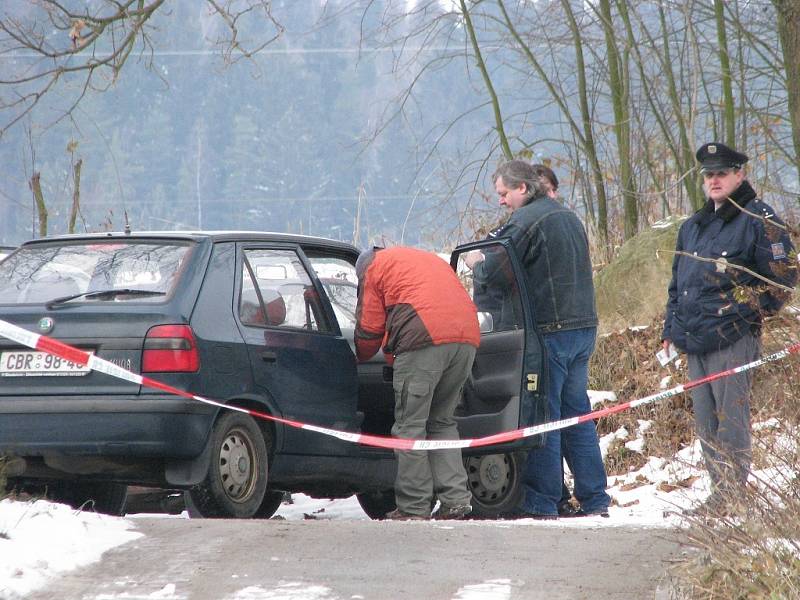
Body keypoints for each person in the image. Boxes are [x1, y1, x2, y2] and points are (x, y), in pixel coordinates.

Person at [465, 159, 611, 519]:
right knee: (576, 414)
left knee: (542, 415)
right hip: (583, 327)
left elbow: (495, 273)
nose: (500, 201)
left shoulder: (524, 223)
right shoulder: (567, 216)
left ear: (522, 189)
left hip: (550, 330)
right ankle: (595, 499)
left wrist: (474, 262)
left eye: (503, 194)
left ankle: (543, 502)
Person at [663, 142, 796, 516]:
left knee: (731, 422)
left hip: (732, 339)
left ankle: (732, 499)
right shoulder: (694, 225)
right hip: (694, 339)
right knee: (706, 424)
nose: (714, 180)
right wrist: (670, 329)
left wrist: (745, 312)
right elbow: (678, 284)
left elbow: (783, 279)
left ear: (741, 174)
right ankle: (718, 495)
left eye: (722, 173)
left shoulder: (760, 218)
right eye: (709, 175)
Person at [354, 246, 481, 521]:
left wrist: (357, 354)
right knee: (442, 422)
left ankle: (413, 507)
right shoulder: (420, 260)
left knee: (409, 427)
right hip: (467, 338)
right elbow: (406, 316)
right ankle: (456, 500)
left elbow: (370, 331)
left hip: (425, 341)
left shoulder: (373, 269)